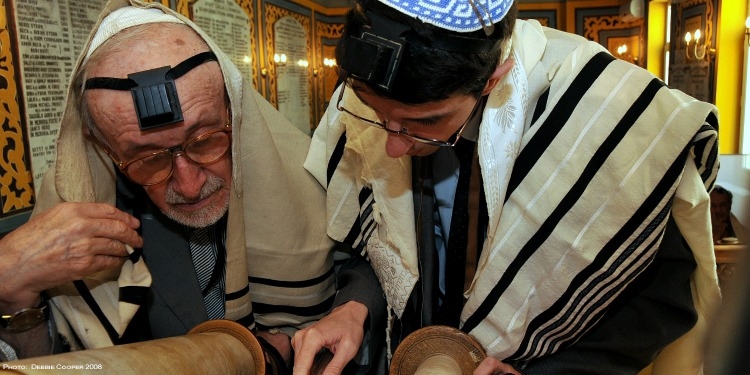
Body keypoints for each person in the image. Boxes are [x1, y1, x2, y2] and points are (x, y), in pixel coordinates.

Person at [303, 0, 722, 373]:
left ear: (492, 79)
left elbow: (660, 298)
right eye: (377, 115)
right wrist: (355, 305)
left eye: (426, 123)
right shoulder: (369, 88)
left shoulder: (616, 117)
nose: (393, 147)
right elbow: (369, 245)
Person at [0, 1, 385, 373]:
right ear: (103, 149)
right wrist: (13, 284)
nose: (188, 185)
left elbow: (370, 264)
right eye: (148, 159)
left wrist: (351, 309)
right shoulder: (75, 218)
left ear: (235, 113)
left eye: (204, 140)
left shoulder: (308, 171)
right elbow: (58, 362)